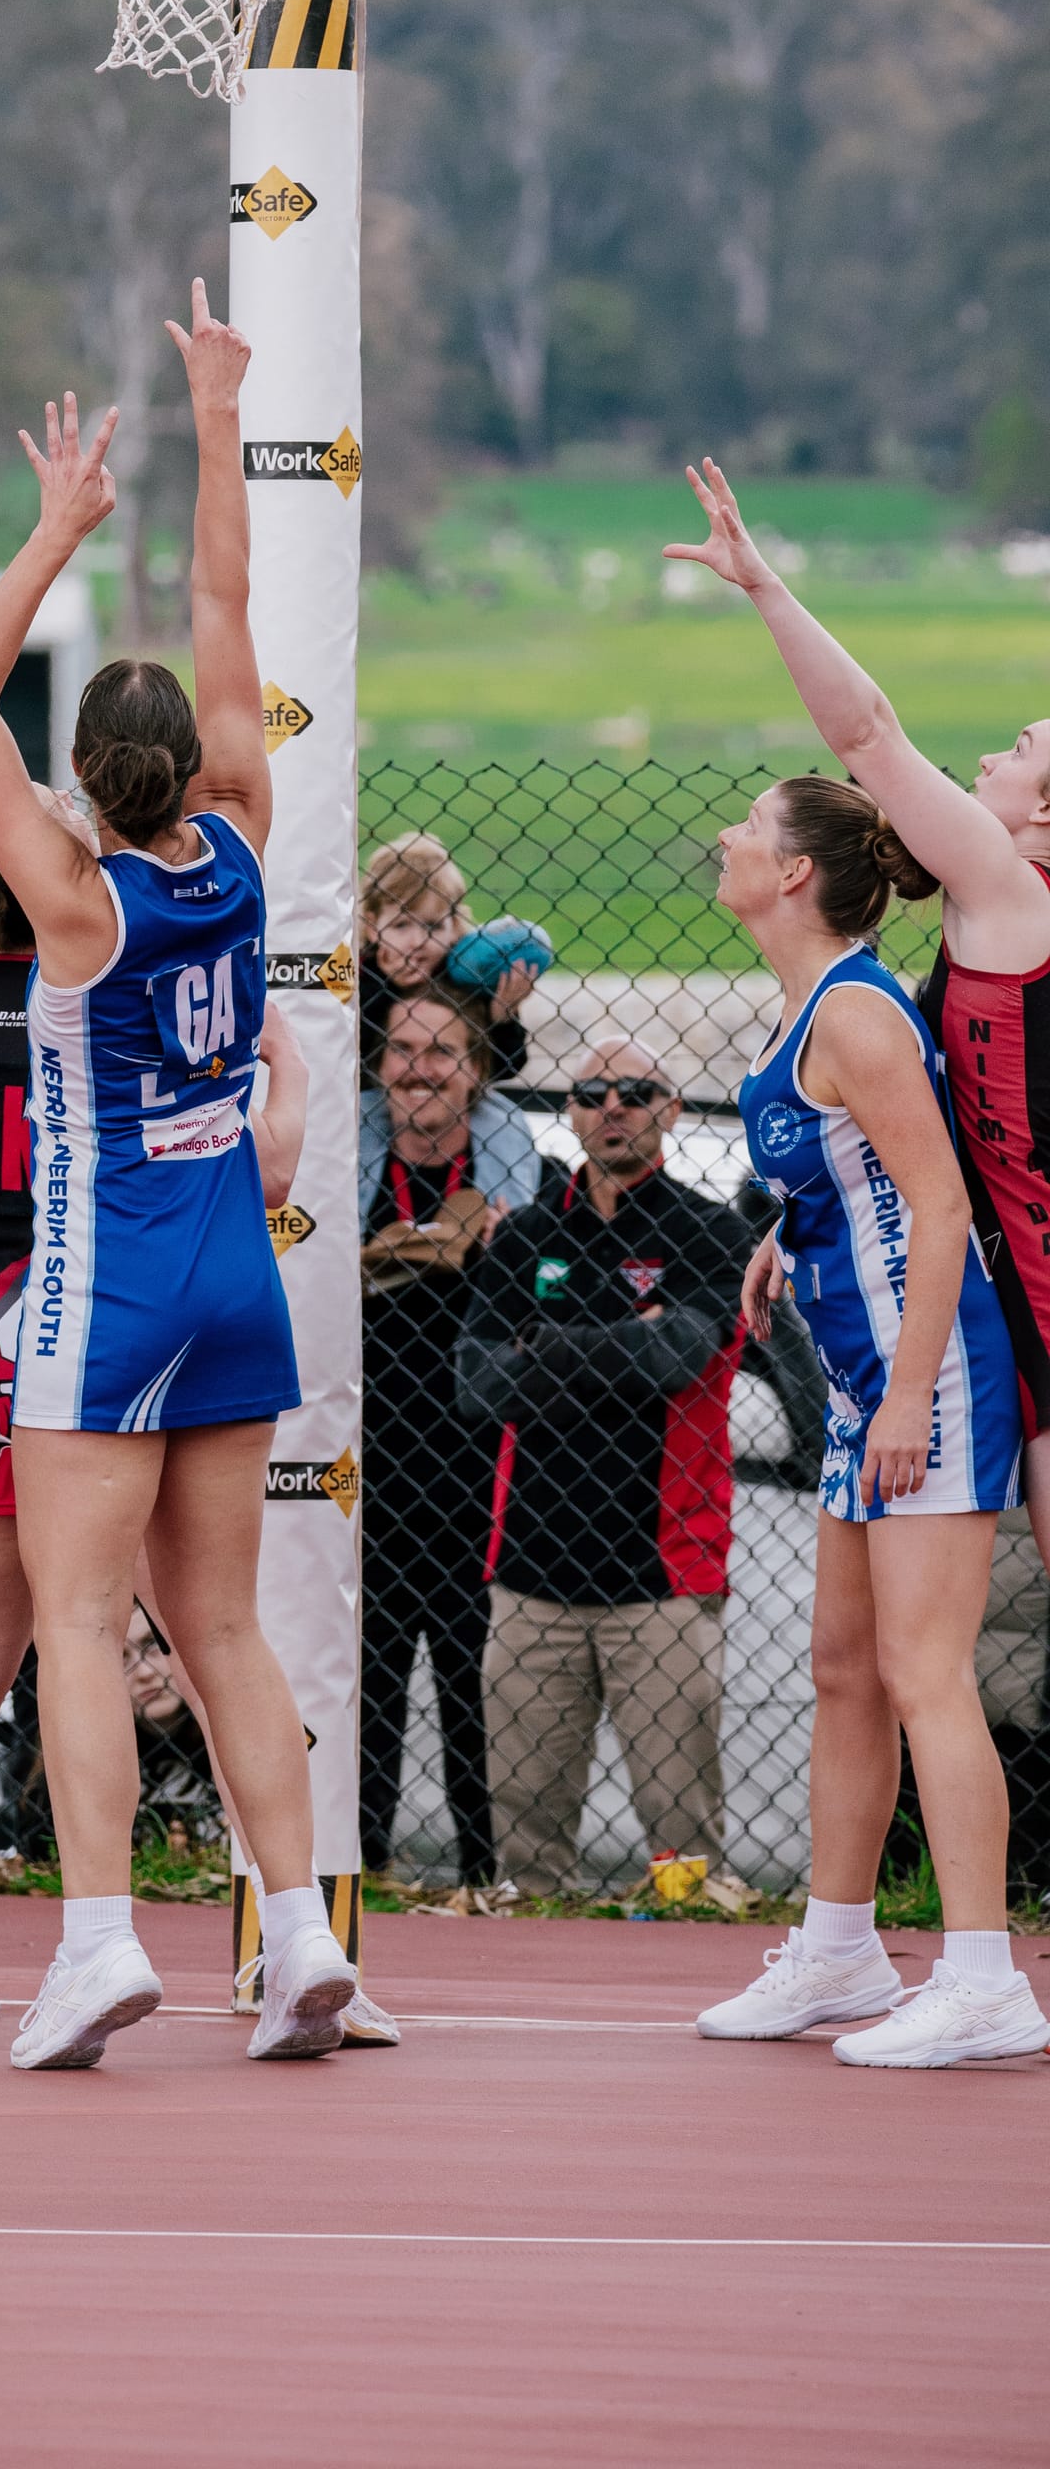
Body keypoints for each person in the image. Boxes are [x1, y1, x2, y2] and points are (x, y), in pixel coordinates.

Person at [0, 278, 356, 2072]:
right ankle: (304, 1930)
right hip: (235, 1267)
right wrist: (216, 415)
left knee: (81, 1627)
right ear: (189, 764)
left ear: (82, 787)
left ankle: (100, 1942)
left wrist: (56, 526)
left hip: (105, 1284)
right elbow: (226, 608)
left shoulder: (72, 903)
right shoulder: (243, 840)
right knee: (230, 1626)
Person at [0, 815, 399, 2037]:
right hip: (110, 1314)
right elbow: (251, 1167)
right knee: (210, 1638)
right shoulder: (113, 976)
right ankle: (290, 1929)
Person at [691, 778, 1049, 2065]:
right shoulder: (813, 1005)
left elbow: (939, 1204)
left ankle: (982, 1979)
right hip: (863, 1376)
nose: (726, 838)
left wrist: (905, 1395)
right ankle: (837, 1951)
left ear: (793, 874)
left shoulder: (855, 1012)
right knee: (842, 1669)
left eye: (749, 827)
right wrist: (787, 1240)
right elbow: (854, 1179)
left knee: (921, 1672)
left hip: (927, 1376)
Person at [667, 459, 1050, 1569]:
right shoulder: (993, 913)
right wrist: (796, 1223)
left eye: (1022, 752)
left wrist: (763, 586)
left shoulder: (1014, 898)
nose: (989, 754)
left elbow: (870, 737)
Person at [456, 1038, 752, 1898]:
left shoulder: (711, 1234)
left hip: (662, 1576)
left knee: (683, 1850)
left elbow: (679, 1357)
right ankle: (531, 1942)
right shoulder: (527, 1234)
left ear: (673, 1110)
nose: (611, 1106)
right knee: (528, 1853)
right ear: (572, 1111)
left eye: (635, 1091)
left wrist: (543, 1347)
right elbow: (477, 1384)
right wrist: (624, 1341)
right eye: (590, 1092)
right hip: (529, 1576)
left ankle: (683, 1930)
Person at [357, 982, 541, 1885]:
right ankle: (359, 1867)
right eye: (402, 1050)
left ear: (475, 1072)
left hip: (480, 1478)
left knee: (476, 1683)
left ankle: (484, 1875)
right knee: (365, 1683)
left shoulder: (519, 1186)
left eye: (441, 1052)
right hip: (365, 1476)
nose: (418, 1069)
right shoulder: (342, 1181)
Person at [359, 831, 543, 1092]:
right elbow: (353, 1057)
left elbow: (508, 1066)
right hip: (374, 1100)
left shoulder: (465, 980)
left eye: (433, 926)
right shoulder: (360, 975)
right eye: (401, 925)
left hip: (448, 1103)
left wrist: (501, 1019)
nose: (418, 941)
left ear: (454, 926)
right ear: (372, 926)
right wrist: (388, 987)